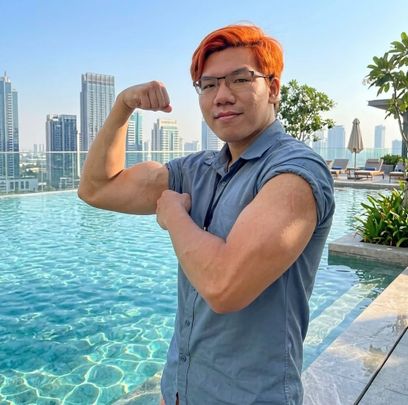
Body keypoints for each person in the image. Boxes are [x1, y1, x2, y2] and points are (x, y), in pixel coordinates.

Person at [78, 24, 335, 405]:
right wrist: (122, 107)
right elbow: (96, 188)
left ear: (273, 88)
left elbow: (224, 287)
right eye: (209, 85)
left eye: (240, 79)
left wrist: (173, 216)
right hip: (180, 391)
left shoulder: (294, 173)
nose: (222, 96)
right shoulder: (196, 171)